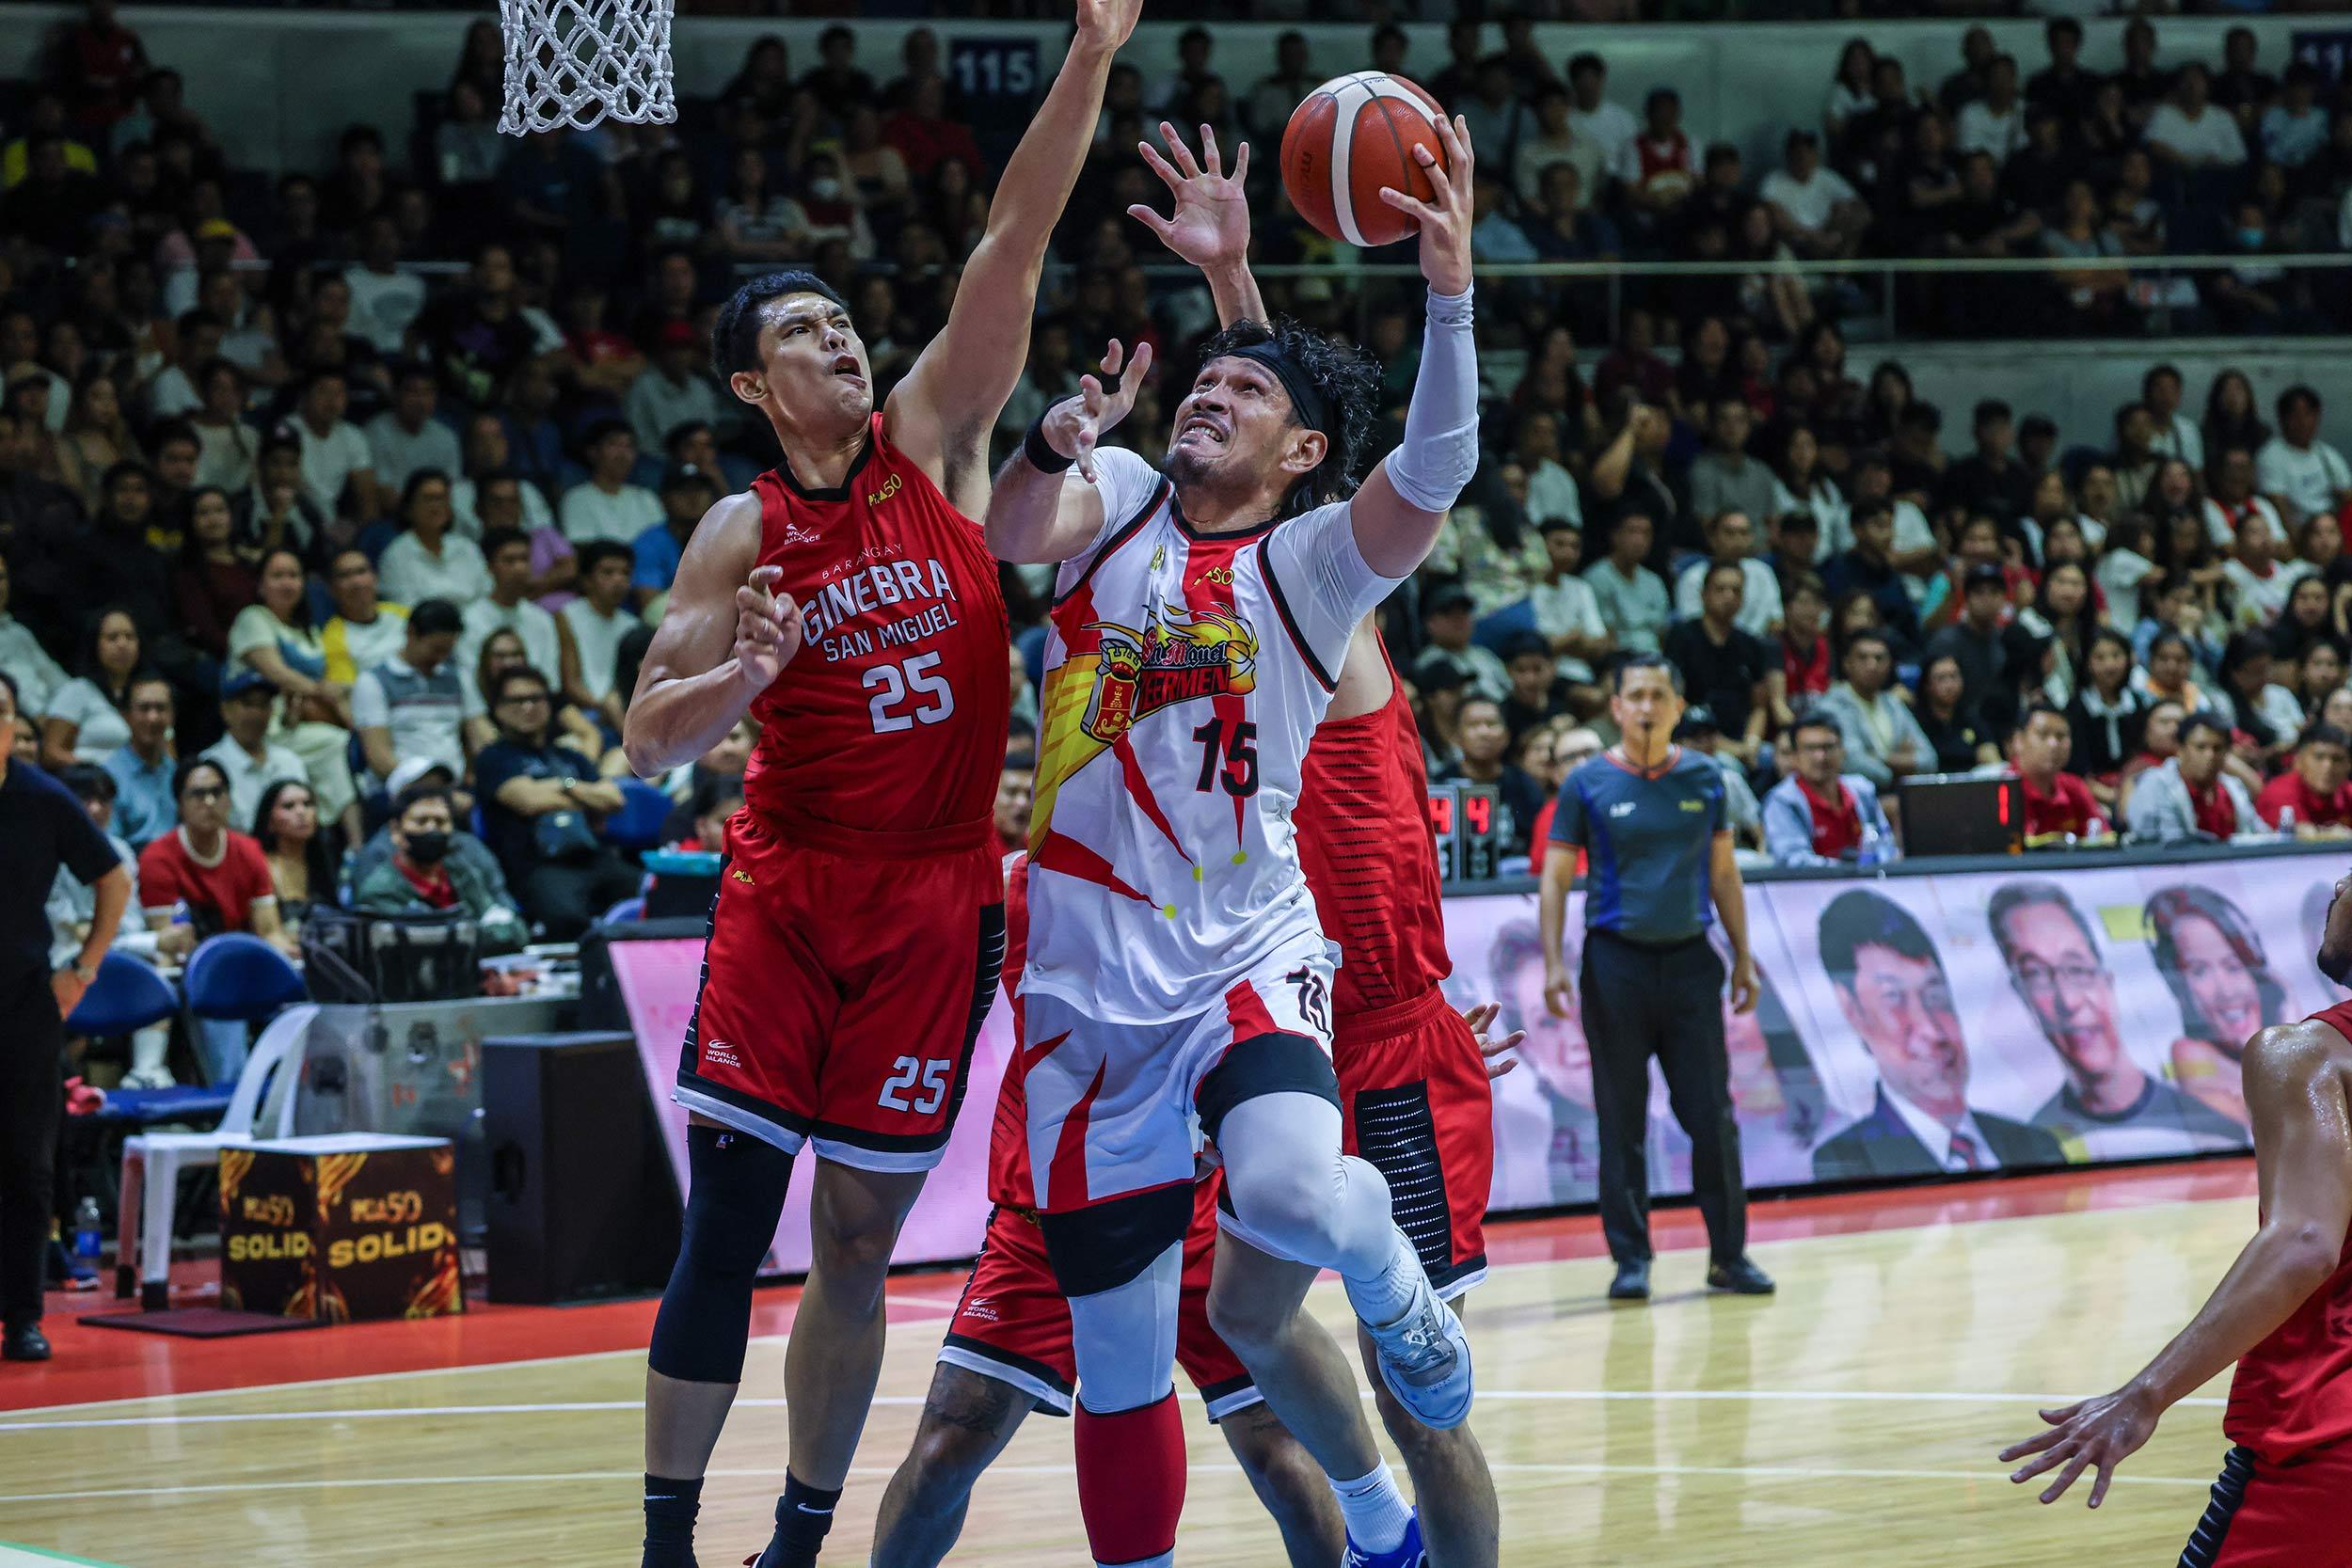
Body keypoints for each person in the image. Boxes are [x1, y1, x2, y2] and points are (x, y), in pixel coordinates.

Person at [620, 8, 1138, 1563]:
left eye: (846, 320)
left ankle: (799, 1535)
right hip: (790, 887)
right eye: (804, 331)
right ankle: (664, 1541)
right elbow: (648, 737)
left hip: (934, 900)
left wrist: (1091, 56)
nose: (842, 339)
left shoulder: (935, 444)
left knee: (856, 1236)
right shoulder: (740, 531)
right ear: (751, 381)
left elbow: (1012, 236)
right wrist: (745, 679)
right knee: (729, 1218)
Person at [983, 106, 1483, 1568]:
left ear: (1304, 450)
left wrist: (1449, 293)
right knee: (1122, 1361)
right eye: (1200, 381)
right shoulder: (1124, 498)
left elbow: (1434, 464)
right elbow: (1013, 528)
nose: (1208, 391)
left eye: (1245, 389)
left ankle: (1388, 1271)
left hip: (1246, 950)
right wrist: (1050, 441)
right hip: (1082, 984)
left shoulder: (1310, 566)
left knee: (1284, 1192)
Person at [868, 849, 1349, 1568]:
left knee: (1284, 1456)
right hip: (1046, 1218)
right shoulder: (1021, 886)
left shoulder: (1223, 880)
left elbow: (1297, 1000)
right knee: (946, 1448)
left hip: (1189, 1217)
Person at [1998, 877, 2352, 1561]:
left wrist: (2145, 1393)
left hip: (2326, 1436)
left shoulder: (2306, 1052)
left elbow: (2306, 1242)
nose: (2339, 884)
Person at [1539, 654, 1774, 1301]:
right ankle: (1631, 1260)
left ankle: (1728, 1257)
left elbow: (1724, 873)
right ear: (1616, 707)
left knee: (1712, 1116)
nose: (1647, 706)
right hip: (1614, 965)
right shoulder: (1586, 782)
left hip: (1692, 962)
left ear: (1677, 706)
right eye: (1636, 695)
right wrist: (1554, 962)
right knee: (1621, 1119)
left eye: (1658, 695)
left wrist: (1743, 955)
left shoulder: (1706, 777)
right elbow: (1555, 878)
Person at [0, 672, 130, 1363]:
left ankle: (22, 1316)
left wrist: (83, 969)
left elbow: (114, 878)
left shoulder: (43, 799)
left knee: (27, 1163)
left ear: (13, 725)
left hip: (23, 1003)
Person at [1810, 888, 2063, 1180]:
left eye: (1935, 996)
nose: (1932, 1031)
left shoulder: (2035, 1146)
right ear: (1853, 1012)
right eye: (1894, 998)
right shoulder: (1848, 1162)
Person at [1986, 879, 2249, 1159]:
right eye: (2036, 975)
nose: (2069, 1000)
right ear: (2022, 998)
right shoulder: (2032, 1148)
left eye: (2076, 969)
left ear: (2107, 982)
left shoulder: (2212, 1128)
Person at [473, 667, 636, 938]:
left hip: (593, 857)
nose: (528, 707)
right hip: (537, 867)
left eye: (536, 698)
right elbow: (529, 801)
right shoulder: (493, 759)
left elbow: (613, 799)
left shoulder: (570, 757)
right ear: (498, 709)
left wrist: (562, 785)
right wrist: (582, 794)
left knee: (655, 894)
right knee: (566, 919)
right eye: (517, 700)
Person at [2147, 885, 2290, 1132]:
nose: (2225, 991)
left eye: (2233, 966)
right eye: (2199, 971)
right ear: (2179, 987)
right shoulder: (2190, 1054)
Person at [353, 782, 525, 945]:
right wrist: (481, 930)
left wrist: (467, 935)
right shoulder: (380, 890)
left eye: (440, 822)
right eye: (421, 821)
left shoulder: (464, 873)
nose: (431, 829)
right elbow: (427, 945)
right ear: (396, 831)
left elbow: (517, 930)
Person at [1662, 562, 1777, 769]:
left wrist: (1751, 743)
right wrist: (1730, 748)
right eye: (1720, 589)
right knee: (1727, 765)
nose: (1729, 596)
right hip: (1694, 739)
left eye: (1736, 590)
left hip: (1742, 739)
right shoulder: (1681, 637)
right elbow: (1673, 700)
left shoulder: (1750, 644)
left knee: (1777, 759)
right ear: (1704, 594)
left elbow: (1759, 706)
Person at [351, 596, 466, 790]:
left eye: (447, 651)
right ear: (411, 633)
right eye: (435, 649)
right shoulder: (373, 682)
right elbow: (379, 758)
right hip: (399, 790)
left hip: (455, 788)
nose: (441, 658)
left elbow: (479, 733)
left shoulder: (458, 677)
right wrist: (432, 790)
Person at [1762, 715, 1893, 868]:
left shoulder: (1862, 790)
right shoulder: (1782, 801)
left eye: (1828, 747)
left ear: (1843, 751)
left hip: (1868, 879)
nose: (1820, 757)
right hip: (1812, 883)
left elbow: (1886, 842)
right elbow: (1793, 861)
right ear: (1795, 756)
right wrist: (1849, 869)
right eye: (1810, 749)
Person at [198, 666, 308, 830]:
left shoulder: (289, 761)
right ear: (225, 710)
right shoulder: (209, 767)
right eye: (248, 704)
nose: (257, 713)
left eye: (264, 704)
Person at [1820, 629, 1931, 788]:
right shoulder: (1832, 707)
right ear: (1847, 664)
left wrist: (1878, 757)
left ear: (1890, 664)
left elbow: (1929, 760)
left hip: (1902, 793)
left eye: (1879, 658)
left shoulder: (1893, 703)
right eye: (1862, 657)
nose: (1872, 665)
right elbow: (1853, 763)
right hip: (1856, 794)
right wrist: (1899, 770)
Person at [2125, 713, 2257, 844]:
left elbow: (2258, 834)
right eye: (2201, 747)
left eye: (2217, 748)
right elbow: (2153, 845)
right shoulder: (2155, 785)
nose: (2210, 755)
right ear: (2180, 749)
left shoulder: (2233, 787)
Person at [559, 542, 642, 732]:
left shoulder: (633, 625)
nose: (618, 580)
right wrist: (604, 706)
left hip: (624, 708)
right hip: (585, 710)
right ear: (586, 580)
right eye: (608, 572)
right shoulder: (567, 616)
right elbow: (571, 683)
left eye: (625, 573)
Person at [2011, 702, 2106, 843]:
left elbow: (2105, 839)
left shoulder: (2075, 787)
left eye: (2061, 736)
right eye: (2043, 735)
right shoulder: (2001, 791)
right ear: (2018, 741)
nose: (2053, 744)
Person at [102, 673, 176, 849]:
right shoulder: (108, 775)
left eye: (161, 708)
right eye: (144, 708)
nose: (153, 717)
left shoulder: (175, 772)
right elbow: (111, 846)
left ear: (172, 715)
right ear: (126, 715)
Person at [2258, 724, 2352, 834]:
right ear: (2298, 760)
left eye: (2337, 759)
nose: (2328, 766)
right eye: (2319, 757)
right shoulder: (2279, 793)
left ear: (2349, 765)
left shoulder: (2347, 792)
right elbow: (2304, 836)